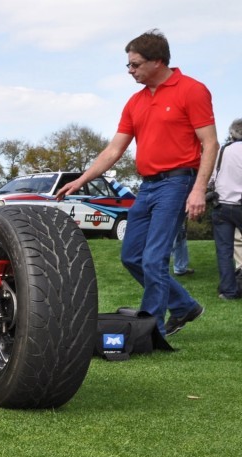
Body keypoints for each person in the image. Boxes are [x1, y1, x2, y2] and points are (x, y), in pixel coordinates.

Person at [56, 29, 219, 337]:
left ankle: (151, 330)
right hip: (148, 186)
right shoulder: (135, 102)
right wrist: (81, 179)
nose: (130, 71)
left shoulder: (192, 90)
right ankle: (184, 306)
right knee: (131, 256)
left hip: (178, 182)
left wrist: (199, 188)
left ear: (157, 61)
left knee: (154, 258)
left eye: (135, 64)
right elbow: (114, 150)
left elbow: (210, 144)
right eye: (128, 65)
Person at [210, 118, 242, 300]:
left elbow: (212, 177)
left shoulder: (222, 151)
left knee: (224, 251)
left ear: (232, 134)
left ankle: (229, 291)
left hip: (221, 205)